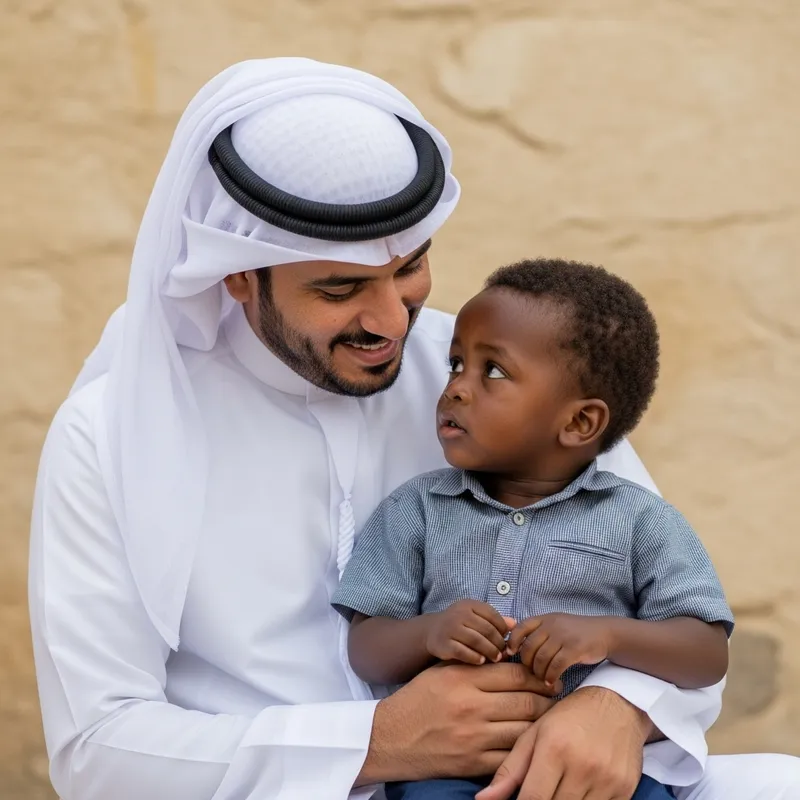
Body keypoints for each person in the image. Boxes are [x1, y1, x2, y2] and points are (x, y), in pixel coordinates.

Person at [27, 57, 800, 800]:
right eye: (341, 290)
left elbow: (678, 616)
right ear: (237, 276)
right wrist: (375, 742)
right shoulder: (112, 434)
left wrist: (619, 707)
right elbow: (98, 749)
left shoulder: (502, 374)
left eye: (409, 269)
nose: (392, 321)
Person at [333, 258, 734, 800]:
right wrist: (427, 633)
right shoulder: (415, 510)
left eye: (493, 372)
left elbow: (706, 653)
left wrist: (608, 636)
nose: (456, 389)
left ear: (579, 422)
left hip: (595, 776)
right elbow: (366, 647)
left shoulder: (642, 520)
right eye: (456, 365)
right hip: (446, 774)